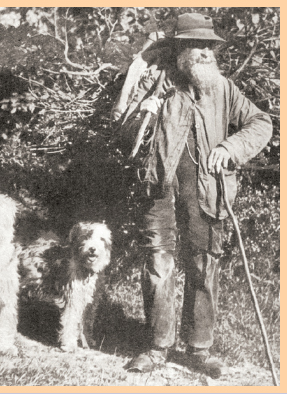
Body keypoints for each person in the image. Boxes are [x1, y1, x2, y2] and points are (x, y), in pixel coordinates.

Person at [112, 13, 273, 378]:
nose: (205, 52)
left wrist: (231, 147)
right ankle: (156, 347)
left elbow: (261, 122)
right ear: (180, 50)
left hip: (207, 192)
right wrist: (142, 116)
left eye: (209, 46)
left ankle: (198, 349)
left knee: (203, 265)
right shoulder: (154, 84)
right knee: (158, 264)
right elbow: (122, 138)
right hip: (159, 191)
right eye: (196, 45)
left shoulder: (222, 89)